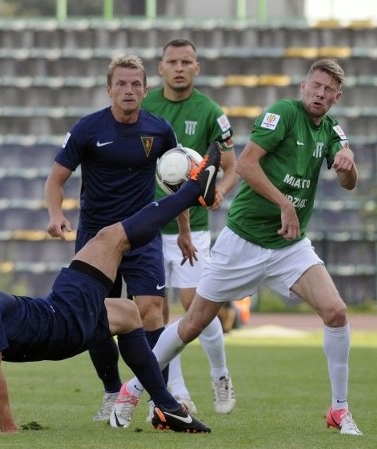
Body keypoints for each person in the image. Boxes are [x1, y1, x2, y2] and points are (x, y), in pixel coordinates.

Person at [110, 59, 363, 436]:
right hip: (242, 241)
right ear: (303, 87)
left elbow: (348, 183)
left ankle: (339, 410)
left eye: (329, 90)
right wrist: (284, 202)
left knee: (337, 312)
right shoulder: (283, 114)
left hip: (288, 246)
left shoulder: (331, 130)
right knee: (195, 322)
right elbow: (244, 165)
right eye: (316, 86)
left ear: (336, 97)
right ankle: (131, 390)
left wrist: (347, 163)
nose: (321, 94)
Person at [0, 144, 222, 435]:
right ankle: (195, 189)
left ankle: (168, 409)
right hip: (63, 320)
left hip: (56, 315)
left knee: (128, 314)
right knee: (111, 237)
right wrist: (8, 431)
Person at [44, 55, 187, 421]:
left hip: (141, 234)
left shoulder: (159, 130)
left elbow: (176, 186)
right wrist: (56, 214)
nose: (128, 90)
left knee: (152, 311)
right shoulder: (87, 129)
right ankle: (111, 392)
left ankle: (159, 399)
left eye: (135, 84)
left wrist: (184, 231)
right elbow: (56, 179)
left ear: (145, 89)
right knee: (98, 319)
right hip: (96, 239)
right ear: (109, 89)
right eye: (121, 84)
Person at [140, 38, 239, 416]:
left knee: (196, 305)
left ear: (197, 68)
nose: (179, 67)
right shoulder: (146, 107)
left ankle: (219, 374)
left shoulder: (211, 111)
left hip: (193, 226)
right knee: (155, 314)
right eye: (172, 61)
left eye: (186, 62)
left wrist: (220, 193)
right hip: (149, 225)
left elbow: (231, 167)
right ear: (160, 68)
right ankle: (177, 391)